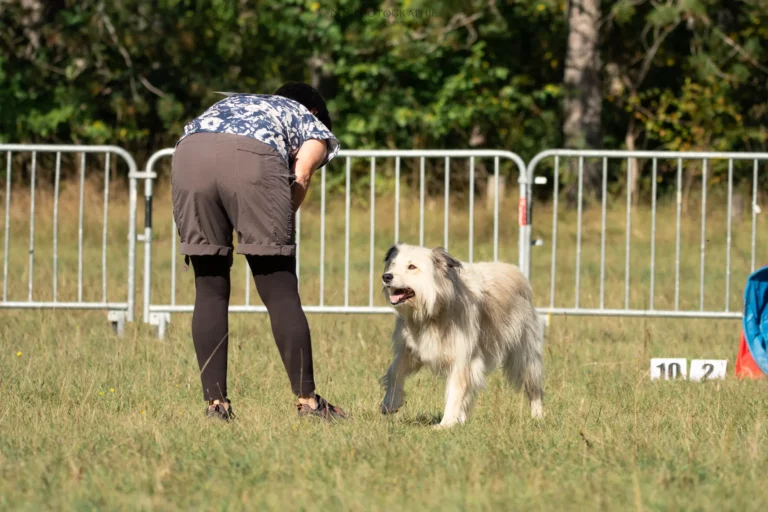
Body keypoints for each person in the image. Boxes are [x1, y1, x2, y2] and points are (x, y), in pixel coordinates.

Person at [171, 82, 345, 421]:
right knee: (279, 291)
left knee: (209, 288)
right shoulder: (308, 120)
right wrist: (276, 224)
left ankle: (216, 405)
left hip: (189, 155)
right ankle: (309, 402)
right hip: (251, 159)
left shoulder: (239, 102)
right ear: (315, 112)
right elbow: (302, 173)